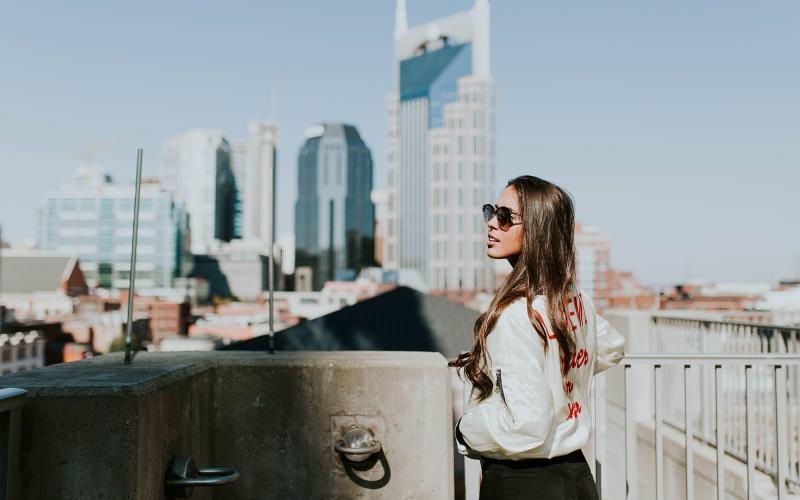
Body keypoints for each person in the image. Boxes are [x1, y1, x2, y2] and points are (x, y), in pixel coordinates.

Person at [450, 175, 626, 500]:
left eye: (505, 217)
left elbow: (526, 426)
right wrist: (558, 375)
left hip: (523, 481)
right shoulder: (573, 299)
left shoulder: (517, 314)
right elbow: (612, 345)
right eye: (491, 211)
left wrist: (466, 430)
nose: (491, 223)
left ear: (537, 229)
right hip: (576, 476)